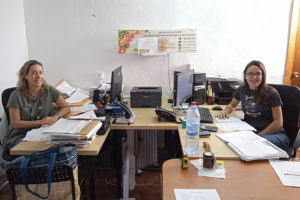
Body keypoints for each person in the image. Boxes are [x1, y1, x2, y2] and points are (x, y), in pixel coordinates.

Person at [2, 60, 70, 162]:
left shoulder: (49, 90)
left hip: (43, 133)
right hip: (20, 136)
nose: (38, 76)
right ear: (25, 76)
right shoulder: (15, 96)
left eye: (40, 72)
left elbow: (66, 107)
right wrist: (41, 122)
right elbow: (16, 123)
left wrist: (56, 117)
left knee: (63, 149)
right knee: (42, 154)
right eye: (34, 73)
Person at [217, 60, 289, 150]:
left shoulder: (272, 93)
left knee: (250, 146)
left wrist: (258, 136)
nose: (254, 77)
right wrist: (226, 110)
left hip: (273, 134)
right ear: (245, 76)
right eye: (250, 74)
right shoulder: (242, 89)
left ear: (263, 76)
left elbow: (278, 122)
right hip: (250, 131)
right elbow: (232, 104)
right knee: (226, 141)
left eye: (258, 74)